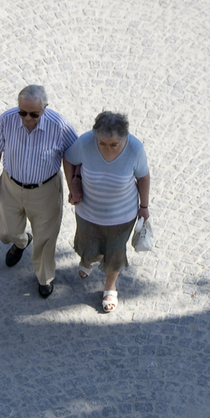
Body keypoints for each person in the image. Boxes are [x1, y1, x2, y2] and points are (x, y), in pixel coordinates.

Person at [0, 85, 79, 298]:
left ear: (45, 108)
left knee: (45, 237)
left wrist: (74, 184)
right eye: (22, 112)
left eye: (34, 114)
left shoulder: (59, 126)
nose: (27, 118)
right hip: (11, 186)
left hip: (45, 191)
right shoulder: (6, 119)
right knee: (5, 231)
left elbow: (73, 154)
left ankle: (45, 278)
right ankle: (21, 241)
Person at [64, 111, 151, 313]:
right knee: (87, 244)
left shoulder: (135, 149)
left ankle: (110, 287)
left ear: (125, 137)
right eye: (102, 143)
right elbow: (69, 158)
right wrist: (72, 185)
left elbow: (144, 178)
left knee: (115, 252)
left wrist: (144, 207)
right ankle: (89, 261)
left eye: (114, 144)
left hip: (122, 215)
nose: (107, 148)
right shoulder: (86, 142)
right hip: (88, 211)